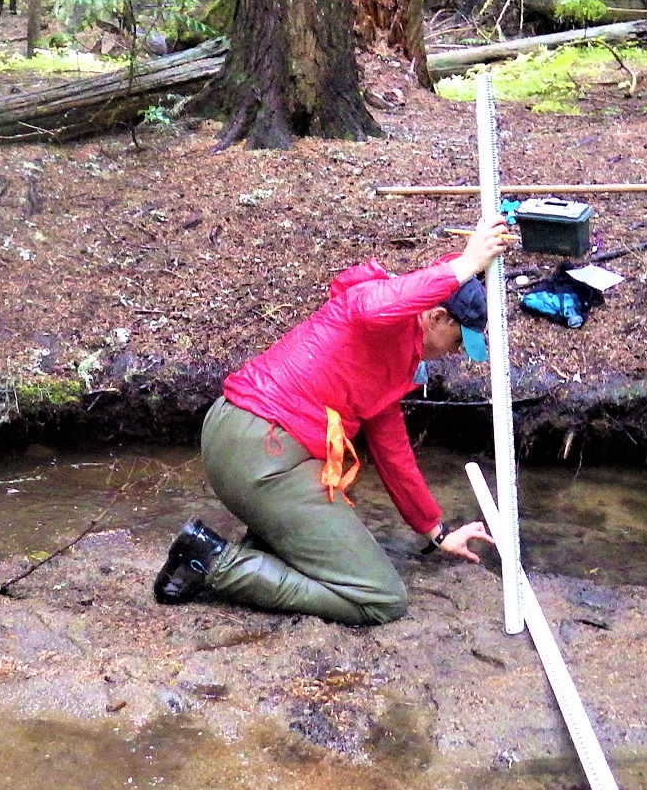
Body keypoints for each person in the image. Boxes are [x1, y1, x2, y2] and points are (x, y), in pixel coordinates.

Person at [152, 219, 515, 625]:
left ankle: (266, 544)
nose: (456, 352)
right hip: (261, 448)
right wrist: (463, 266)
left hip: (243, 440)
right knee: (383, 600)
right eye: (458, 340)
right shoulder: (374, 309)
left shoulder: (396, 363)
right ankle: (212, 561)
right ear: (436, 317)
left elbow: (395, 455)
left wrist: (436, 531)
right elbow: (379, 304)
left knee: (342, 471)